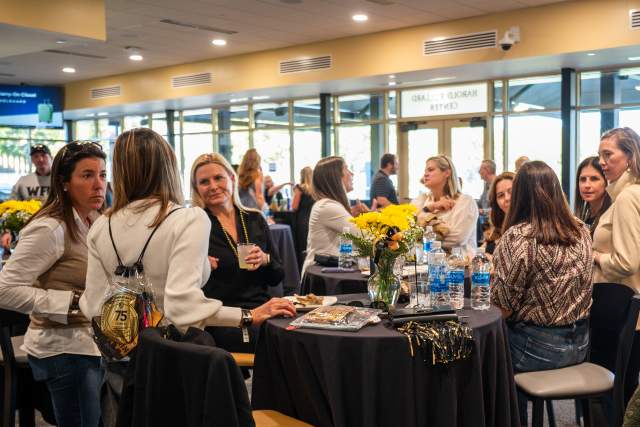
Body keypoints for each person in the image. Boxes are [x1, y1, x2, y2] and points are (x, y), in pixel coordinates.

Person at [79, 129, 295, 425]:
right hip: (178, 358)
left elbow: (91, 304)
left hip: (127, 359)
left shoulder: (101, 225)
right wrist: (249, 315)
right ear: (168, 164)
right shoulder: (187, 219)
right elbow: (183, 305)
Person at [0, 141, 107, 427]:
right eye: (87, 175)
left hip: (89, 343)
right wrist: (70, 302)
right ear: (64, 183)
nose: (99, 185)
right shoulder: (50, 228)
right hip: (62, 348)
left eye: (102, 175)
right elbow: (4, 290)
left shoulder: (93, 220)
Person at [490, 161, 592, 424]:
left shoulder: (517, 238)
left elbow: (502, 308)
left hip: (535, 350)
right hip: (580, 344)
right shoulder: (581, 230)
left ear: (520, 195)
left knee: (481, 352)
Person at [190, 153, 284, 353]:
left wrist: (266, 259)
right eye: (204, 182)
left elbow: (277, 276)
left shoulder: (255, 219)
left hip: (262, 308)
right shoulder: (194, 226)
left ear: (232, 179)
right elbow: (184, 286)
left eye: (218, 178)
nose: (213, 186)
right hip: (221, 316)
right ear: (197, 189)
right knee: (276, 347)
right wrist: (199, 266)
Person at [592, 127, 640, 405]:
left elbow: (626, 262)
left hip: (621, 310)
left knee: (615, 395)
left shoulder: (627, 197)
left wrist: (594, 255)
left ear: (630, 156)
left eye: (608, 154)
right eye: (600, 155)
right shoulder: (627, 195)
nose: (602, 162)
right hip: (626, 310)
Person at [302, 157, 368, 275]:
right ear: (336, 177)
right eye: (347, 168)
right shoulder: (327, 206)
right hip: (323, 276)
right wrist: (371, 216)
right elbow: (364, 236)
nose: (351, 173)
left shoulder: (329, 205)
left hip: (331, 272)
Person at [411, 155, 479, 254]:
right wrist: (429, 208)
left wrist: (422, 239)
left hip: (459, 265)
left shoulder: (465, 202)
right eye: (425, 171)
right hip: (425, 265)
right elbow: (408, 231)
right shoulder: (420, 200)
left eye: (430, 170)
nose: (425, 174)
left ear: (447, 173)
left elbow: (458, 239)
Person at [2, 144, 54, 249]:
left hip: (55, 228)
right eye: (36, 156)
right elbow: (9, 208)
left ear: (51, 157)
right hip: (28, 231)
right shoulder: (23, 181)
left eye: (43, 155)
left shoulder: (61, 180)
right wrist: (6, 232)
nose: (40, 159)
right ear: (32, 160)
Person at [574, 156, 611, 233]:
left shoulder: (612, 217)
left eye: (594, 179)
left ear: (606, 182)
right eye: (583, 179)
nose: (587, 185)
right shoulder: (582, 218)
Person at [484, 171, 515, 255]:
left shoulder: (530, 229)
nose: (507, 198)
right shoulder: (498, 228)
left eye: (511, 192)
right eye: (501, 195)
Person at [292, 166, 315, 270]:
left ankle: (302, 272)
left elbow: (294, 206)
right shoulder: (315, 189)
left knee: (301, 248)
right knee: (310, 247)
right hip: (312, 220)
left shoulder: (299, 188)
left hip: (302, 221)